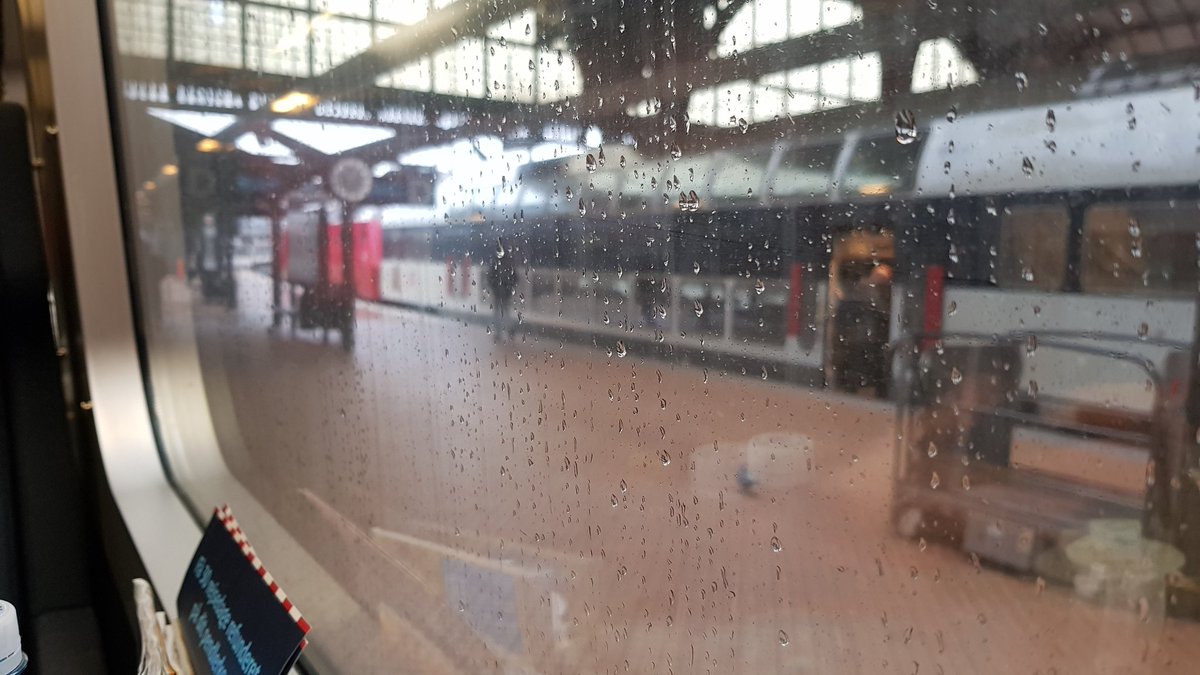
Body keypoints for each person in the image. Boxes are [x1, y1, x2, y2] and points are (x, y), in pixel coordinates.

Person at [486, 247, 517, 342]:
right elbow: (515, 277)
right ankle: (508, 331)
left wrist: (494, 287)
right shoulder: (508, 264)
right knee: (505, 312)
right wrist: (510, 288)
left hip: (500, 293)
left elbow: (490, 277)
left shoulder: (496, 264)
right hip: (504, 293)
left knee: (499, 312)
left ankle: (500, 332)